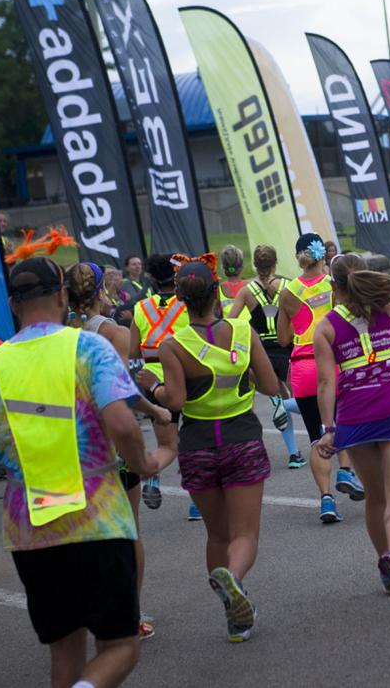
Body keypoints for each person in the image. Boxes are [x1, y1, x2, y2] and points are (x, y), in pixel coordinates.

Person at [0, 257, 175, 688]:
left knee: (65, 649)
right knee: (120, 646)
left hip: (31, 531)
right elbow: (123, 424)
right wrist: (146, 462)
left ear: (13, 305)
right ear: (60, 296)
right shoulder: (88, 348)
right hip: (98, 522)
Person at [153, 257, 280, 642]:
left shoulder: (172, 345)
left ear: (181, 299)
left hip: (198, 446)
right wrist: (245, 374)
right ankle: (235, 579)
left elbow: (173, 401)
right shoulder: (244, 332)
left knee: (217, 535)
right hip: (242, 440)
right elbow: (272, 386)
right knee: (245, 536)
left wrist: (152, 387)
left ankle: (233, 613)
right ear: (217, 293)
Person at [313, 254, 390, 604]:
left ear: (334, 287)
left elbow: (326, 382)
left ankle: (386, 564)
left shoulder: (325, 326)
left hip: (355, 418)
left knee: (376, 496)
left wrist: (329, 428)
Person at [66, 262, 175, 640]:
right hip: (110, 440)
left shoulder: (62, 331)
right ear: (100, 292)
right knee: (128, 530)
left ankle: (86, 606)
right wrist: (157, 409)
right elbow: (124, 388)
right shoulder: (113, 332)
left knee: (81, 529)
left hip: (71, 441)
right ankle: (131, 612)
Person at [278, 233, 364, 523]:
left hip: (302, 366)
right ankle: (346, 471)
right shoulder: (333, 283)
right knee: (342, 422)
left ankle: (326, 500)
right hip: (333, 361)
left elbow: (283, 337)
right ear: (321, 255)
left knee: (316, 436)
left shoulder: (287, 292)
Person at [130, 253, 194, 519]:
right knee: (191, 443)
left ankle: (152, 473)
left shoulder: (141, 307)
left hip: (150, 380)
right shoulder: (187, 304)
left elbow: (133, 350)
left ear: (152, 278)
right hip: (185, 378)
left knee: (167, 444)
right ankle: (196, 503)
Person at [230, 245, 306, 469]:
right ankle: (321, 435)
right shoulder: (288, 285)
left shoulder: (245, 290)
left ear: (254, 264)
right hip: (288, 349)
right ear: (275, 263)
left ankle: (294, 454)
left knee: (281, 398)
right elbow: (302, 316)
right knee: (304, 399)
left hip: (261, 352)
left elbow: (232, 320)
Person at [218, 245, 248, 315]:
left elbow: (211, 320)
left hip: (228, 326)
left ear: (222, 267)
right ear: (242, 267)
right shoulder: (253, 288)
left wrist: (209, 327)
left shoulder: (217, 291)